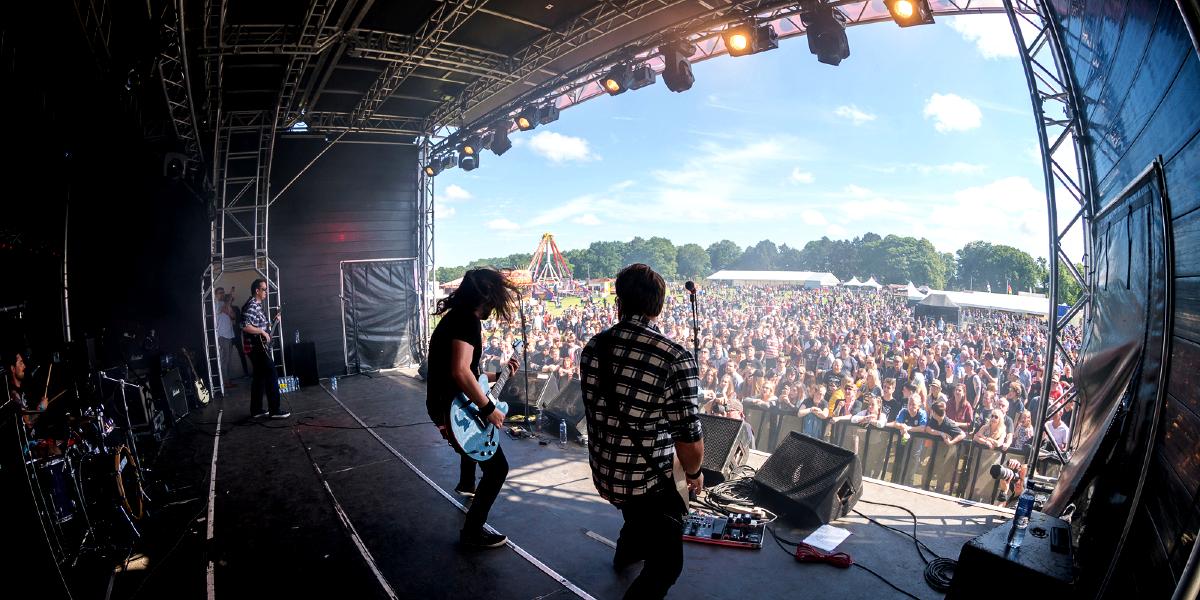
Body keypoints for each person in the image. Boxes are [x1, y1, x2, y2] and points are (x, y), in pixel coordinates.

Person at [580, 264, 704, 600]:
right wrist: (694, 474)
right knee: (667, 566)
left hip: (604, 473)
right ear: (659, 306)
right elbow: (689, 440)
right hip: (644, 481)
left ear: (618, 302)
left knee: (636, 512)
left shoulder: (593, 347)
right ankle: (632, 554)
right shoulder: (674, 357)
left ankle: (626, 553)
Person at [425, 267, 521, 549]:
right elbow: (459, 372)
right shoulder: (467, 321)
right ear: (487, 297)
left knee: (484, 456)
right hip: (451, 407)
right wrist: (488, 407)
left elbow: (468, 371)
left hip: (448, 404)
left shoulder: (457, 318)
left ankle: (467, 484)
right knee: (498, 469)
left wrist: (499, 374)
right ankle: (471, 533)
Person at [241, 279, 289, 419]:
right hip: (255, 348)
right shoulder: (251, 305)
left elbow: (262, 327)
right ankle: (275, 410)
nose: (266, 292)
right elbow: (244, 326)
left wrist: (273, 322)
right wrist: (262, 332)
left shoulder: (257, 305)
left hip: (258, 347)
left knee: (259, 378)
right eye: (264, 289)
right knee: (272, 374)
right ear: (257, 290)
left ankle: (256, 410)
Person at [215, 287, 239, 389]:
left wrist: (231, 311)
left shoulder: (225, 304)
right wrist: (230, 294)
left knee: (228, 360)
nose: (222, 294)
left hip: (229, 335)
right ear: (216, 295)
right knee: (225, 360)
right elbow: (225, 309)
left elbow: (233, 316)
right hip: (222, 335)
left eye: (223, 293)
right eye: (220, 293)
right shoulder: (216, 305)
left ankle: (227, 381)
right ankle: (225, 382)